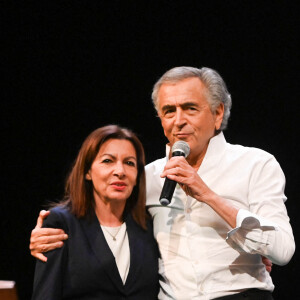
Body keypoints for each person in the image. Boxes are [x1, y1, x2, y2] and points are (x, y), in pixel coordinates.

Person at [30, 67, 295, 300]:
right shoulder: (147, 176)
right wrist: (48, 237)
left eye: (190, 108)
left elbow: (282, 250)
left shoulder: (256, 164)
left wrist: (208, 195)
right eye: (169, 111)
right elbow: (106, 224)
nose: (178, 120)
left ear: (217, 113)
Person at [31, 125, 159, 300]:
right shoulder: (61, 223)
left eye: (129, 163)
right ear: (87, 171)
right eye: (108, 161)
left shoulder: (148, 225)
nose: (120, 171)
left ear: (137, 175)